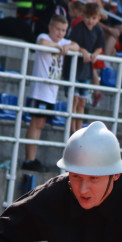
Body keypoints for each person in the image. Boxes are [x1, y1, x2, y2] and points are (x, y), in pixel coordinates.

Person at [21, 15, 78, 171]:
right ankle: (29, 159)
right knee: (36, 123)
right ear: (51, 27)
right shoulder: (44, 36)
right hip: (40, 90)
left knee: (41, 124)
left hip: (51, 91)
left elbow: (76, 46)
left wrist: (66, 47)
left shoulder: (64, 42)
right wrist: (58, 47)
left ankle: (31, 158)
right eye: (58, 29)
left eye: (63, 30)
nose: (60, 33)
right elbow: (41, 42)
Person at [67, 3, 106, 134]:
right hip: (74, 69)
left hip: (86, 70)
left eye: (94, 18)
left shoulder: (98, 30)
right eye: (88, 17)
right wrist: (83, 51)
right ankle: (72, 130)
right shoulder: (78, 28)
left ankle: (79, 131)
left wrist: (95, 53)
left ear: (98, 18)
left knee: (82, 102)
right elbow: (73, 43)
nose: (91, 21)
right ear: (83, 16)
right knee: (75, 100)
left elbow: (100, 46)